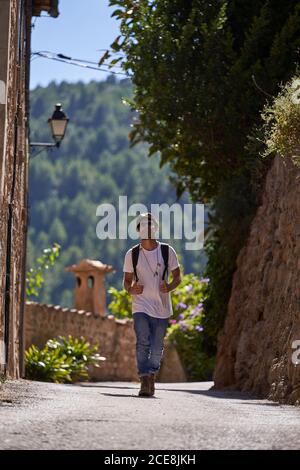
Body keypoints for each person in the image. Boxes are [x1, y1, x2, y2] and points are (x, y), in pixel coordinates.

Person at [123, 212, 181, 397]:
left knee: (157, 347)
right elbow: (126, 282)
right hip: (140, 306)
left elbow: (177, 276)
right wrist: (131, 290)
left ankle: (152, 375)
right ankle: (144, 380)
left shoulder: (167, 251)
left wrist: (169, 286)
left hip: (161, 307)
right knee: (143, 342)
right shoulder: (132, 254)